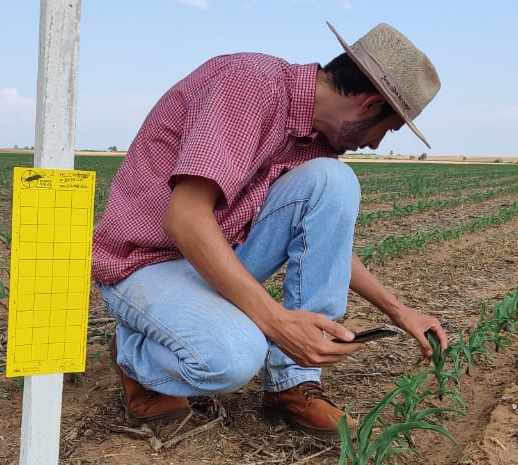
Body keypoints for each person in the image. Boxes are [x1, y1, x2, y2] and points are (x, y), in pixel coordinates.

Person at [92, 22, 449, 439]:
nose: (374, 145)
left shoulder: (314, 141)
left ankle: (293, 384)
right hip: (146, 262)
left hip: (212, 254)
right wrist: (278, 322)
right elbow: (185, 219)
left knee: (334, 181)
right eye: (385, 131)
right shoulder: (250, 85)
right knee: (235, 356)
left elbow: (327, 247)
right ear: (369, 105)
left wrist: (399, 310)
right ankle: (137, 358)